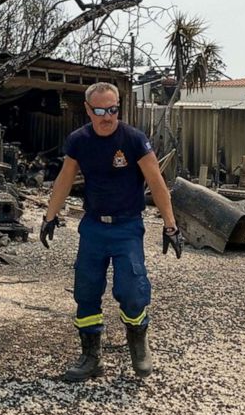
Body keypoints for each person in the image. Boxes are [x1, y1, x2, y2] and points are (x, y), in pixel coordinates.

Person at [40, 82, 183, 381]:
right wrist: (49, 217)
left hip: (127, 227)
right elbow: (64, 180)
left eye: (113, 109)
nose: (108, 117)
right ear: (89, 110)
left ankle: (138, 340)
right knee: (86, 290)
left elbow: (157, 182)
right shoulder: (79, 141)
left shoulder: (133, 140)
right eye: (101, 111)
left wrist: (170, 226)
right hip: (93, 227)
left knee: (132, 291)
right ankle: (91, 357)